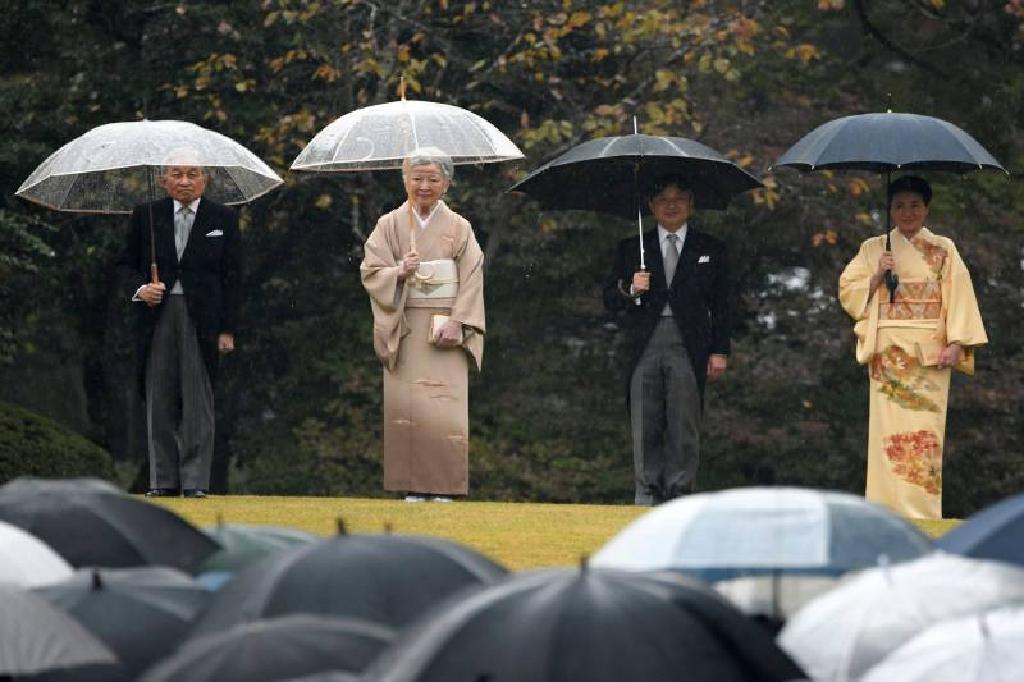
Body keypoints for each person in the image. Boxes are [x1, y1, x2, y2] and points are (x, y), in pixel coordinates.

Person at [839, 175, 987, 519]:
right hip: (889, 352)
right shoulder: (873, 248)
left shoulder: (944, 249)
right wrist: (877, 275)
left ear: (926, 209)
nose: (907, 212)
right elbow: (848, 291)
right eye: (900, 206)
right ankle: (883, 512)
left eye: (915, 205)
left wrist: (956, 342)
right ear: (890, 210)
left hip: (929, 353)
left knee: (924, 433)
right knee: (886, 433)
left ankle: (921, 513)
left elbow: (960, 295)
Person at [360, 147, 485, 503]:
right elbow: (371, 271)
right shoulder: (389, 224)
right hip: (406, 323)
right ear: (405, 181)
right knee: (408, 407)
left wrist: (459, 321)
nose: (424, 186)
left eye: (433, 179)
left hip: (446, 323)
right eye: (417, 179)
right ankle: (414, 485)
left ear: (447, 184)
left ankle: (443, 487)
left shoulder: (460, 227)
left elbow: (473, 275)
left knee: (445, 406)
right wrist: (400, 270)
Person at [118, 152, 242, 498]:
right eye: (177, 174)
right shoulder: (147, 216)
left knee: (198, 400)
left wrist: (228, 330)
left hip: (203, 319)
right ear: (164, 180)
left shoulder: (223, 218)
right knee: (159, 398)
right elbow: (124, 265)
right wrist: (143, 289)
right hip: (157, 315)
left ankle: (195, 482)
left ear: (205, 180)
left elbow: (233, 278)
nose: (185, 181)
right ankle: (163, 481)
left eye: (192, 174)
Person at [603, 175, 732, 505]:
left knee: (683, 422)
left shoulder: (711, 249)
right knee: (644, 420)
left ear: (690, 203)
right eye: (662, 199)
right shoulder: (632, 248)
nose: (670, 205)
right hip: (643, 343)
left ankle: (678, 494)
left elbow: (724, 305)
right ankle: (646, 493)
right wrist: (632, 289)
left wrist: (720, 350)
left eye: (678, 199)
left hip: (689, 344)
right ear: (651, 206)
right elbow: (609, 300)